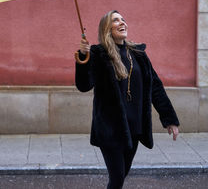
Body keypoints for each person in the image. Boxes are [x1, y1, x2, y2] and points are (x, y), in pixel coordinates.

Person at [75, 10, 180, 189]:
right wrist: (83, 57)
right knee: (116, 179)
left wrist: (169, 119)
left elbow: (155, 87)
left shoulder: (138, 54)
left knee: (121, 176)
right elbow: (84, 85)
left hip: (134, 129)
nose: (122, 22)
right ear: (106, 28)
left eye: (123, 19)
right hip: (110, 129)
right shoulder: (99, 54)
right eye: (116, 20)